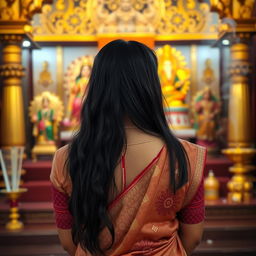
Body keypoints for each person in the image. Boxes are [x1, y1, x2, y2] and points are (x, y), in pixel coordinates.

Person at [50, 40, 206, 256]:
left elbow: (68, 242)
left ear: (96, 85)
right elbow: (193, 237)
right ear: (151, 86)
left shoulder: (65, 158)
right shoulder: (186, 157)